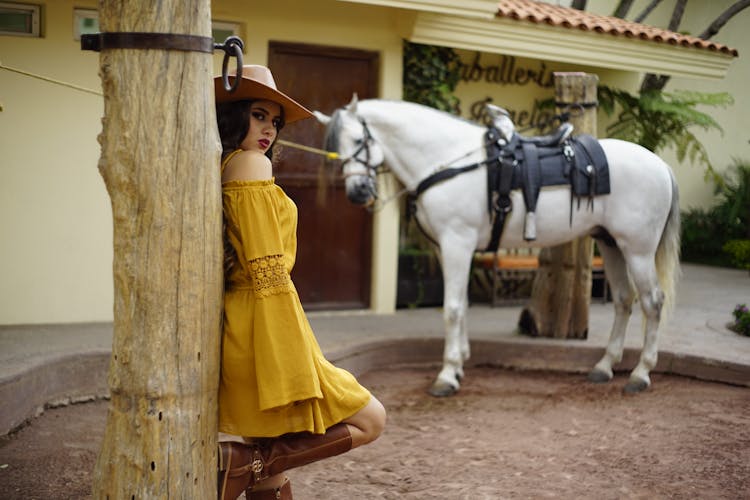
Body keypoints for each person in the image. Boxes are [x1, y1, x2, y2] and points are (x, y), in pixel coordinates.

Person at [214, 65, 386, 500]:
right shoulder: (250, 164)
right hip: (264, 329)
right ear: (233, 115)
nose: (269, 128)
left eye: (275, 120)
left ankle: (249, 466)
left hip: (244, 325)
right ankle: (246, 465)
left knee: (270, 475)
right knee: (371, 419)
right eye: (258, 115)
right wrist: (291, 362)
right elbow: (267, 271)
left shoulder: (226, 165)